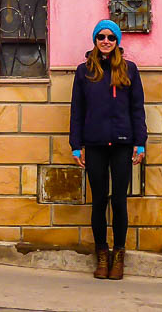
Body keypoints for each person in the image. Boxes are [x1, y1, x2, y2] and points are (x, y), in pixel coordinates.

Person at [68, 18, 146, 280]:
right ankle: (102, 254)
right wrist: (76, 146)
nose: (106, 41)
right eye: (101, 37)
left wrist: (140, 142)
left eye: (111, 37)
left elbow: (137, 109)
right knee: (99, 200)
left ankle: (119, 255)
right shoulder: (84, 71)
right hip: (95, 144)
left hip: (123, 144)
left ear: (117, 42)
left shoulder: (130, 70)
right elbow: (77, 111)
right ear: (95, 40)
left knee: (119, 201)